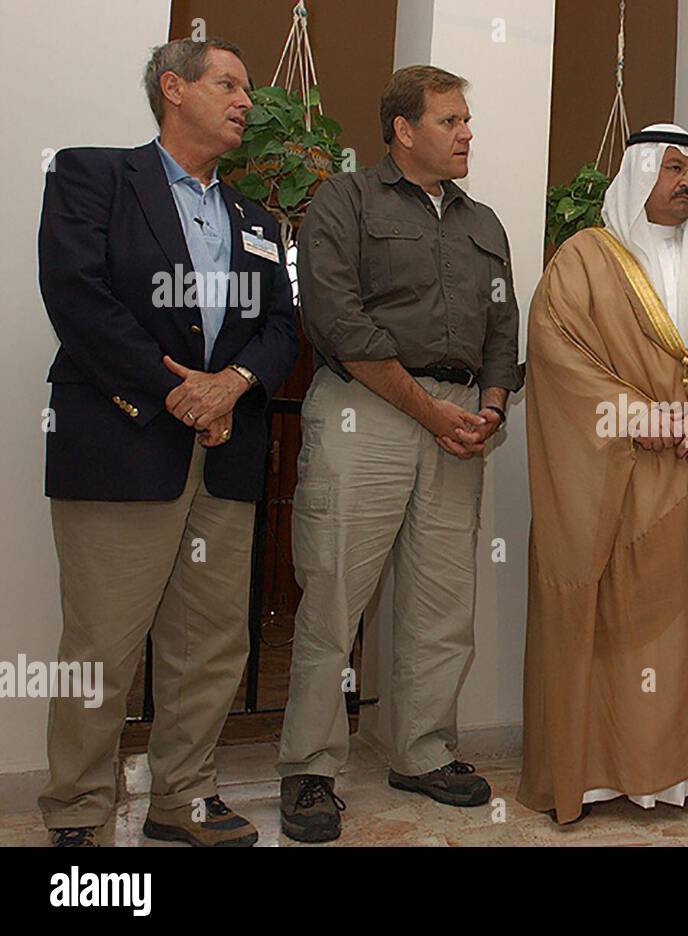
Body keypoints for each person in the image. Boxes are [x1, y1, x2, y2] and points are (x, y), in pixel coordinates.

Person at [36, 38, 299, 846]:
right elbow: (75, 295)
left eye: (247, 89)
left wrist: (233, 387)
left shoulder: (257, 220)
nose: (245, 101)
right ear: (172, 88)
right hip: (122, 438)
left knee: (211, 643)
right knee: (103, 644)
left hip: (225, 450)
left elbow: (283, 326)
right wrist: (178, 390)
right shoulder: (94, 176)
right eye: (229, 83)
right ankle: (79, 811)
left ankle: (182, 799)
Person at [277, 66, 521, 842]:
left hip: (459, 420)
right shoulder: (345, 201)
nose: (466, 133)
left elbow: (502, 332)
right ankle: (311, 769)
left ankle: (421, 750)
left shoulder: (485, 223)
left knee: (443, 602)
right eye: (450, 121)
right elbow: (337, 320)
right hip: (367, 408)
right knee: (333, 597)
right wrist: (428, 411)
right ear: (403, 130)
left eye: (466, 120)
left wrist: (487, 407)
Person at [518, 124, 688, 824]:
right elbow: (557, 356)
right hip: (623, 482)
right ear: (636, 177)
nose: (686, 182)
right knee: (622, 630)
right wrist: (644, 417)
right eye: (670, 168)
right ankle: (608, 778)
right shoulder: (584, 260)